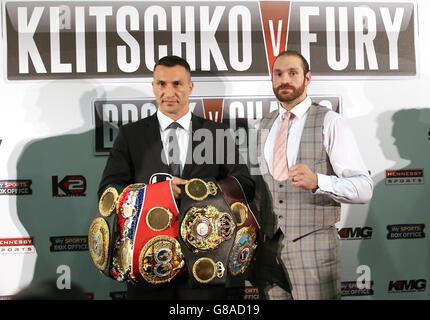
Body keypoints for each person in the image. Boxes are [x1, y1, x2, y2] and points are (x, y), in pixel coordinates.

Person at [98, 55, 254, 300]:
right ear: (153, 86)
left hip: (206, 266)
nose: (169, 91)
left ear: (190, 87)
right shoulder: (131, 135)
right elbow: (109, 191)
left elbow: (244, 184)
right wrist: (159, 194)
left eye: (177, 84)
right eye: (161, 84)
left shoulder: (217, 133)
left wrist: (202, 191)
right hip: (148, 268)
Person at [253, 51, 373, 300]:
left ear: (307, 79)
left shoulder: (330, 121)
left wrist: (319, 181)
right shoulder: (264, 124)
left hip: (314, 247)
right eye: (278, 74)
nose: (284, 80)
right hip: (270, 249)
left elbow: (364, 188)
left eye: (293, 73)